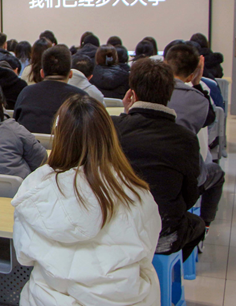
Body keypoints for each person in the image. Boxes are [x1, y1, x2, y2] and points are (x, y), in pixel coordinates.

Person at [14, 94, 161, 306]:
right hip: (125, 299)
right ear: (108, 135)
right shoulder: (134, 191)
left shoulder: (36, 188)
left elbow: (24, 255)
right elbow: (148, 249)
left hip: (49, 299)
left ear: (59, 136)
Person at [112, 59, 204, 260]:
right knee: (197, 225)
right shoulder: (186, 139)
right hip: (164, 234)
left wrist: (127, 114)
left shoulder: (112, 128)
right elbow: (190, 195)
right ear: (169, 94)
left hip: (114, 229)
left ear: (132, 94)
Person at [164, 42, 223, 228]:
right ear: (192, 74)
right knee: (216, 173)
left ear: (164, 63)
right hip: (185, 177)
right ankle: (204, 224)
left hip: (146, 173)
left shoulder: (149, 91)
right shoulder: (197, 99)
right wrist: (197, 83)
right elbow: (209, 118)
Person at [14, 46, 86, 134]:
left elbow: (15, 125)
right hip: (65, 143)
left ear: (42, 73)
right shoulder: (81, 98)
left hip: (28, 142)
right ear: (70, 74)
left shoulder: (25, 93)